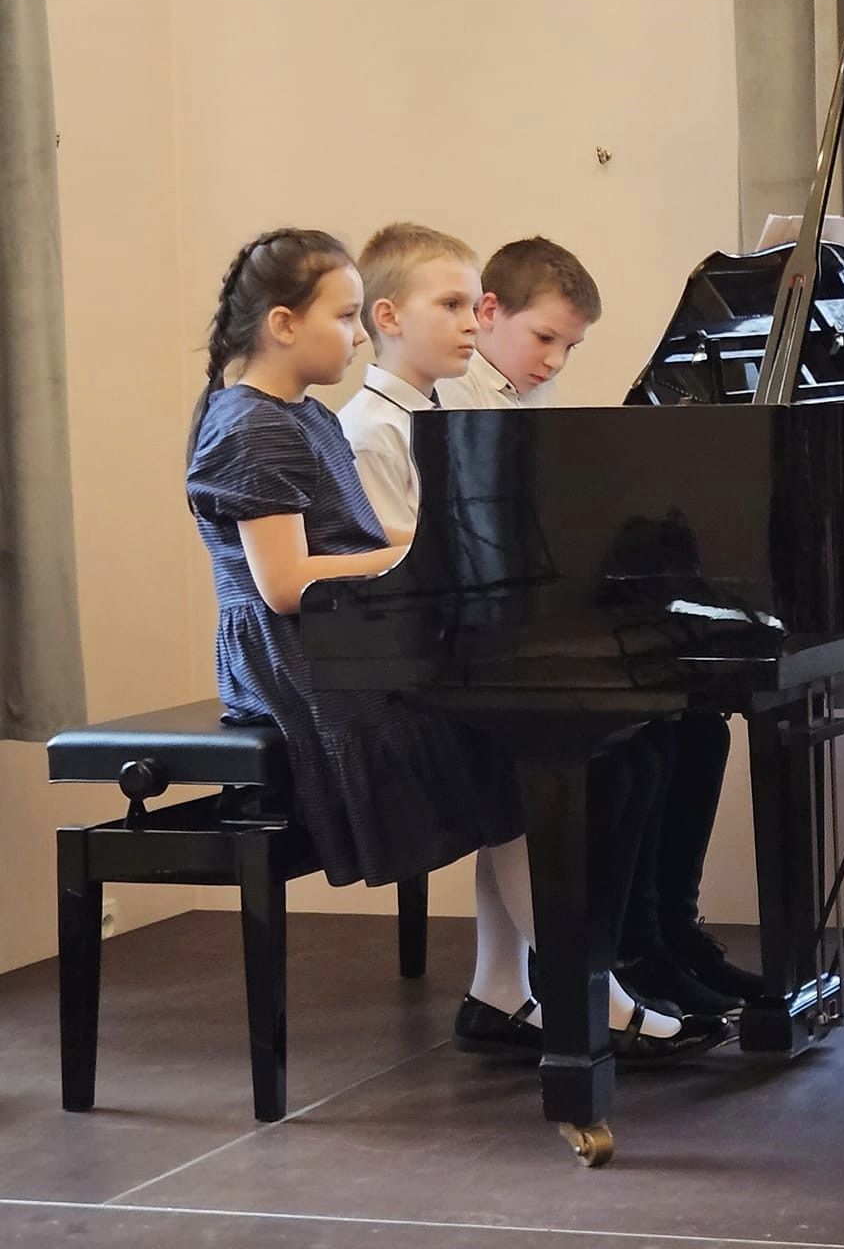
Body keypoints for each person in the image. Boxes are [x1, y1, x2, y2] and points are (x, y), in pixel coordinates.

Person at [187, 226, 713, 1066]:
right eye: (345, 317)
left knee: (522, 748)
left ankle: (510, 989)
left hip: (341, 642)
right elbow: (284, 584)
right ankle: (589, 997)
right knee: (516, 744)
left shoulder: (301, 417)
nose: (356, 335)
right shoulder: (252, 427)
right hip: (302, 664)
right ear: (283, 324)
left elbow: (367, 536)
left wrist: (437, 546)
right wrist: (423, 553)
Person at [440, 237, 769, 1016]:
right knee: (637, 745)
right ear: (490, 312)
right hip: (477, 651)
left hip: (525, 631)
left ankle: (668, 934)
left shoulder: (526, 399)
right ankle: (623, 955)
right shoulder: (456, 403)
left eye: (570, 347)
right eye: (544, 338)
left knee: (696, 729)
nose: (554, 361)